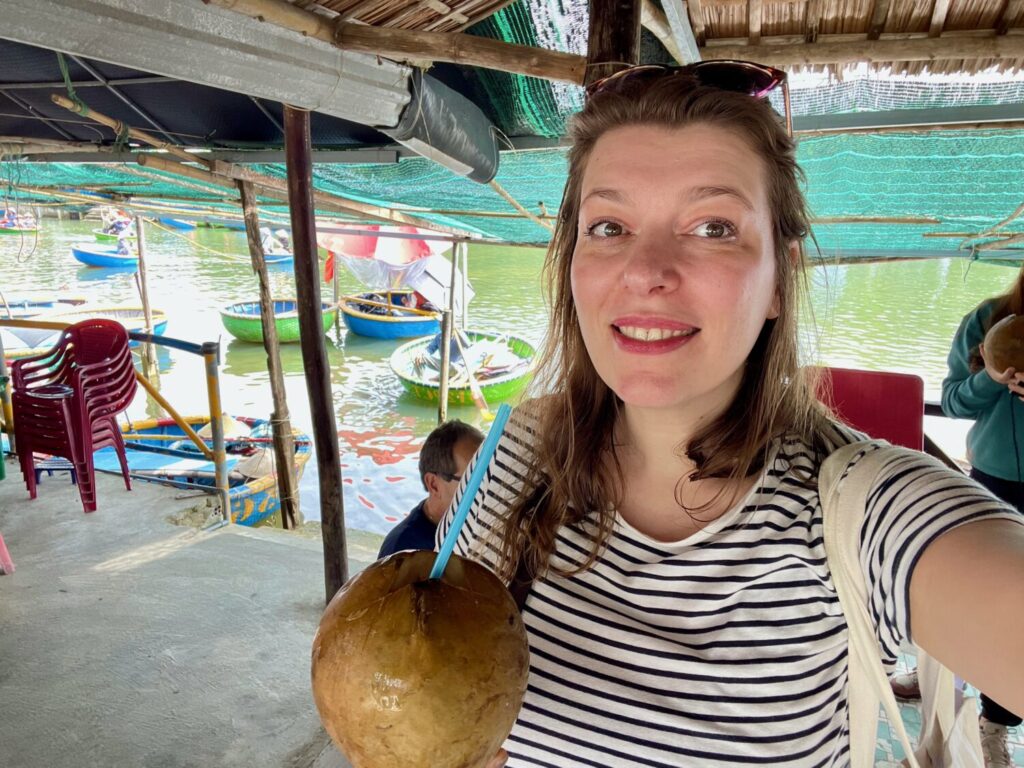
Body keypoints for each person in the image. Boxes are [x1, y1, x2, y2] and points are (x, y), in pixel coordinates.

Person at [433, 61, 1024, 768]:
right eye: (609, 225)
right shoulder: (515, 451)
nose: (646, 270)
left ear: (780, 277)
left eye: (714, 227)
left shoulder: (863, 512)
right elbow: (442, 659)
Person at [932, 267, 1024, 766]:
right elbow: (950, 401)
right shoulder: (989, 319)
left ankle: (997, 719)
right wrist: (990, 378)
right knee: (968, 592)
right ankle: (942, 673)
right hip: (993, 482)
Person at [377, 420, 483, 559]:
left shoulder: (482, 521)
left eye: (488, 473)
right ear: (434, 484)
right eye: (473, 479)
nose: (485, 486)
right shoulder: (401, 550)